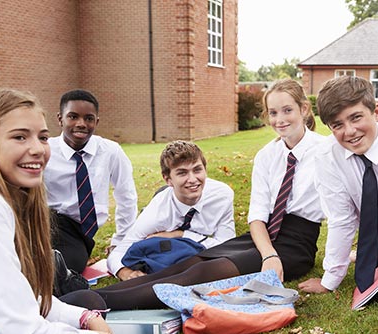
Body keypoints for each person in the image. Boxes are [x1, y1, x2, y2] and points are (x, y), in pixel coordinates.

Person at [96, 79, 325, 310]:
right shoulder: (266, 155)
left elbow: (343, 215)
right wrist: (267, 254)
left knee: (205, 273)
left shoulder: (325, 152)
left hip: (296, 243)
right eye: (273, 112)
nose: (280, 119)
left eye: (287, 110)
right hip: (261, 236)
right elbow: (257, 214)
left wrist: (330, 277)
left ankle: (101, 302)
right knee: (191, 264)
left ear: (304, 109)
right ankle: (91, 295)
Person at [0, 88, 139, 334]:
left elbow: (31, 299)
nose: (37, 149)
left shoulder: (14, 201)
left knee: (90, 306)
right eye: (19, 137)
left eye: (42, 138)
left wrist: (86, 319)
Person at [298, 76, 378, 301]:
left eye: (356, 117)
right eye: (338, 125)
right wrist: (330, 280)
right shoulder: (327, 157)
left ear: (376, 112)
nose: (350, 132)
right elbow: (342, 219)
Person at [107, 140, 235, 280]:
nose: (192, 179)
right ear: (168, 179)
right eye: (182, 173)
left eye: (197, 170)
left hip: (180, 218)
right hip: (168, 201)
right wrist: (125, 273)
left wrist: (180, 234)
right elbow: (117, 254)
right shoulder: (155, 216)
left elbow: (227, 247)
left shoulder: (222, 196)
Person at [45, 89, 138, 274]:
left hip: (79, 232)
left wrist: (120, 241)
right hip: (49, 219)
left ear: (96, 121)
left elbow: (126, 196)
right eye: (72, 116)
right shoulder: (45, 150)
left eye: (88, 118)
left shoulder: (111, 151)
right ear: (60, 119)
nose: (81, 124)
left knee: (66, 270)